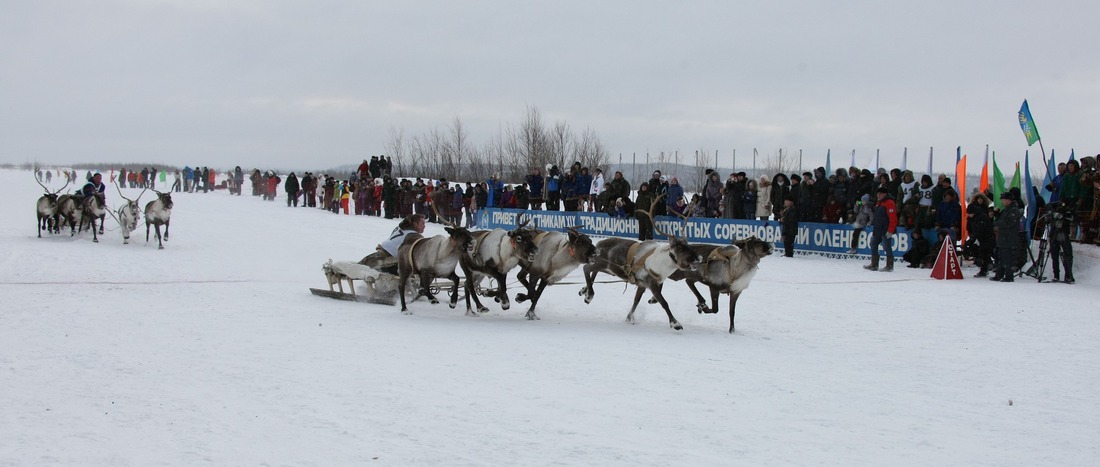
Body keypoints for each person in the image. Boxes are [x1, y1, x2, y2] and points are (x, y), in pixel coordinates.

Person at [359, 214, 427, 275]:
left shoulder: (402, 227)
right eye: (422, 223)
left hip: (382, 251)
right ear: (415, 224)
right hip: (389, 259)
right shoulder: (414, 235)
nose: (424, 226)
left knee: (362, 265)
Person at [991, 192, 1023, 282]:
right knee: (1001, 257)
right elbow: (1003, 220)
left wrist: (996, 224)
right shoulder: (1007, 210)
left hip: (1009, 238)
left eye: (1004, 200)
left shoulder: (1014, 210)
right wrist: (997, 214)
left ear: (1009, 200)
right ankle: (999, 274)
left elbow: (1008, 223)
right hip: (1004, 237)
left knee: (1008, 258)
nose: (1002, 202)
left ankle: (1009, 276)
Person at [864, 187, 897, 272]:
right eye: (877, 194)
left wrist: (890, 230)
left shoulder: (889, 203)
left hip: (885, 229)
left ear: (885, 194)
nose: (878, 195)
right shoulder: (879, 203)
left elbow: (893, 218)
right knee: (873, 244)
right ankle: (874, 264)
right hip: (878, 229)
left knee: (886, 247)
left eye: (880, 194)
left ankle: (889, 266)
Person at [1046, 201, 1075, 283]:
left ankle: (1068, 275)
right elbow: (1048, 207)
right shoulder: (1054, 208)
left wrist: (1065, 216)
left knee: (1067, 254)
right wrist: (1053, 213)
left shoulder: (1069, 211)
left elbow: (1073, 218)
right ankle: (1056, 275)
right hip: (1054, 234)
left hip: (1063, 234)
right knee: (1054, 255)